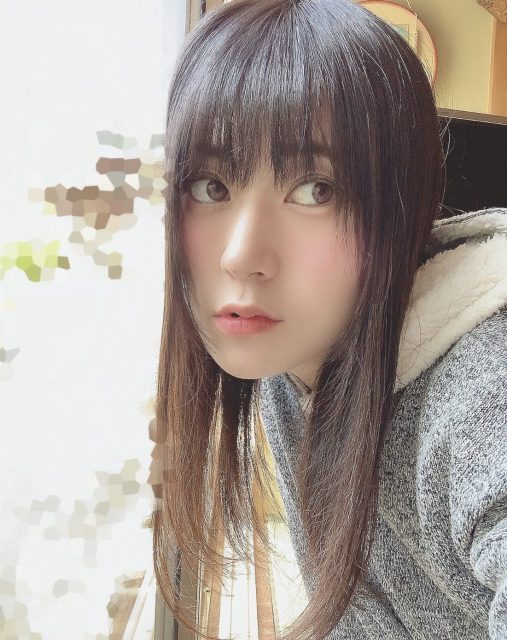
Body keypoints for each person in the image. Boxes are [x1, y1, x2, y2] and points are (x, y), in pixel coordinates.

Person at [151, 0, 507, 638]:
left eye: (315, 190)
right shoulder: (292, 358)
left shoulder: (479, 395)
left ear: (401, 206)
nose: (240, 255)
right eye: (210, 187)